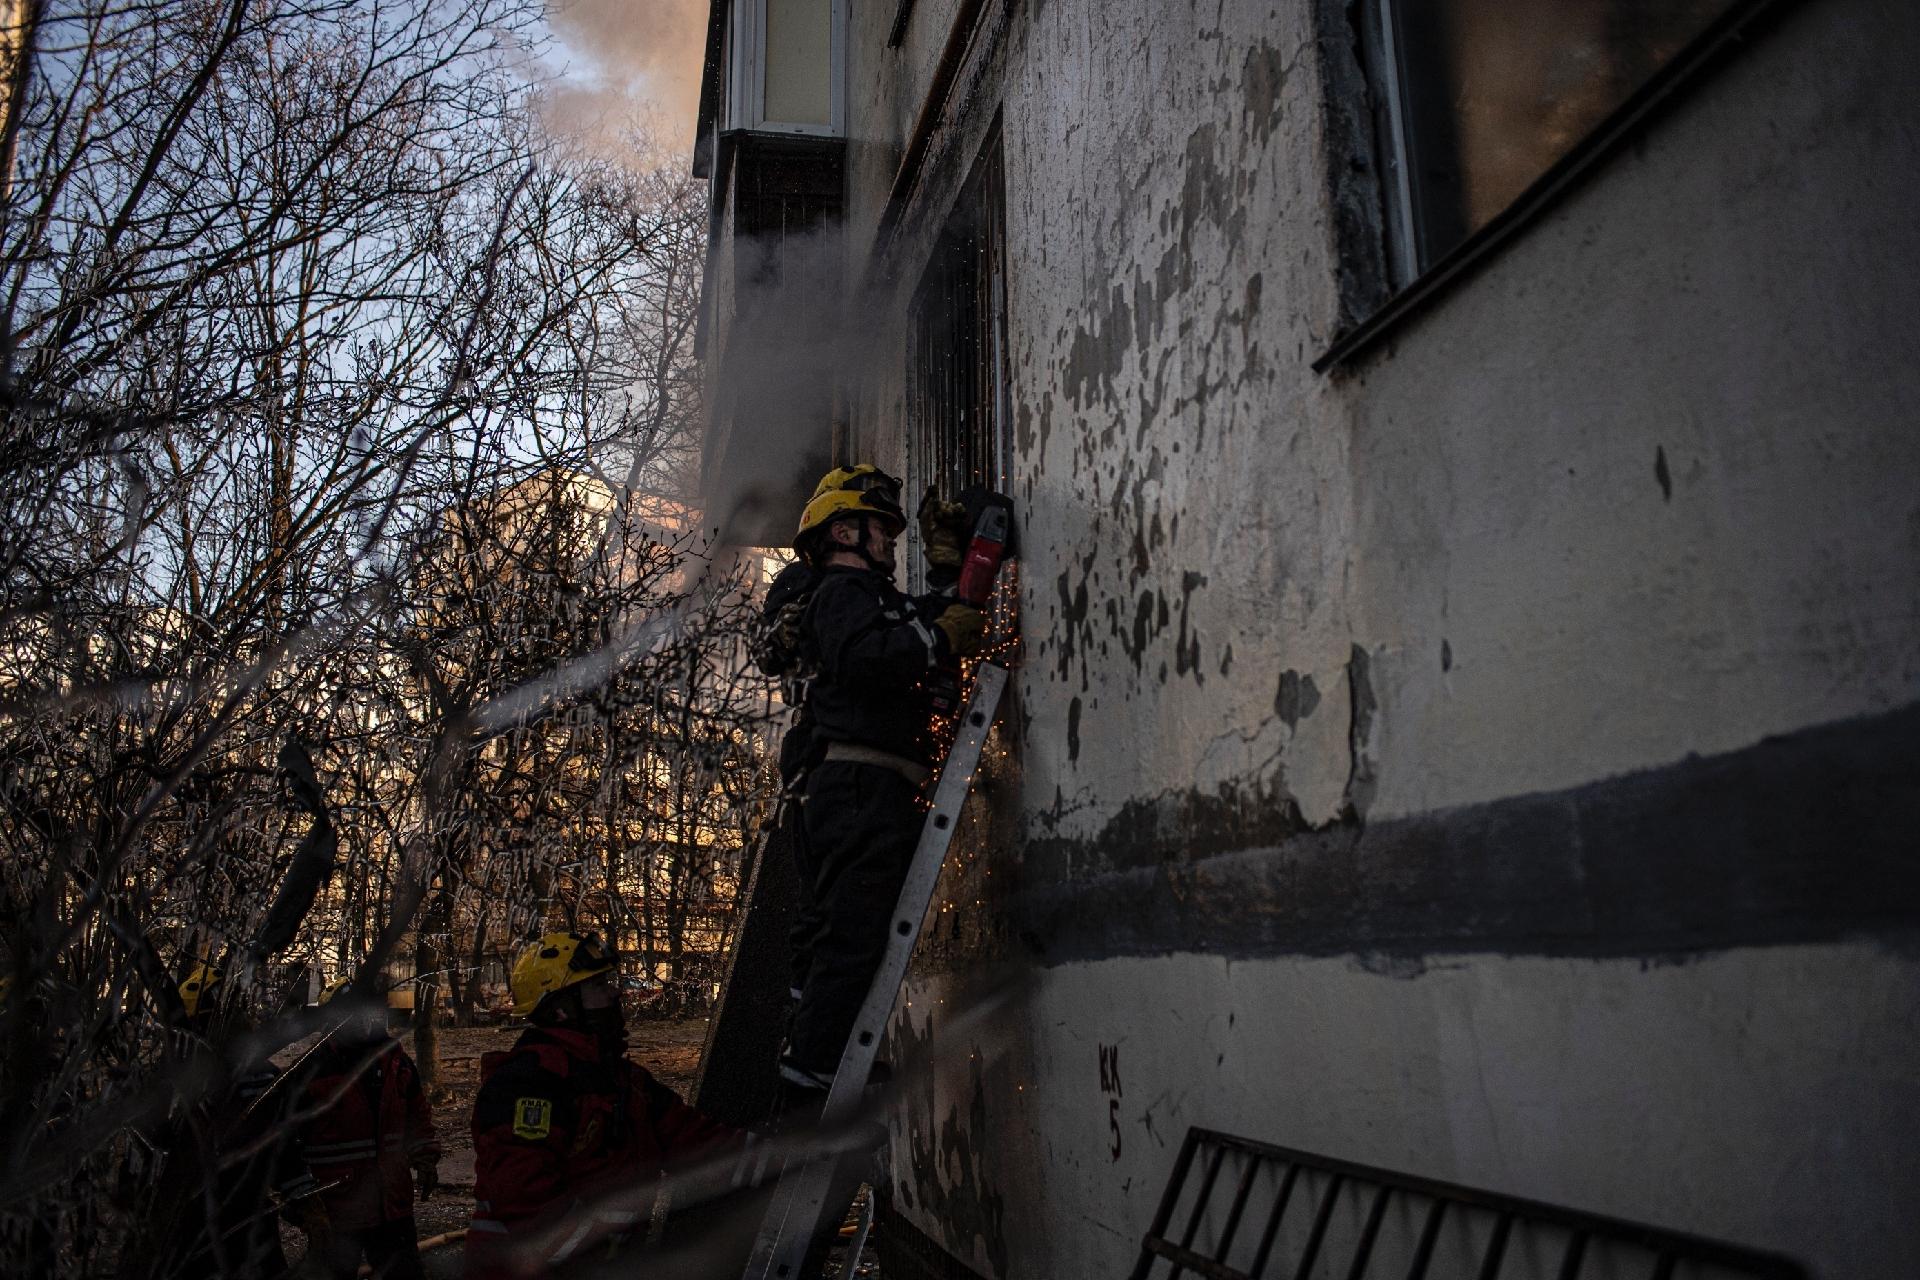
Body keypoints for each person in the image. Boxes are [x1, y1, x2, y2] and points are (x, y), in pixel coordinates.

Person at [774, 465, 985, 1104]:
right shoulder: (838, 593)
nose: (892, 542)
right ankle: (813, 1084)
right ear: (844, 531)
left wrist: (952, 575)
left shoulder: (876, 599)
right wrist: (934, 635)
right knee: (854, 934)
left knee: (842, 937)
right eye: (881, 530)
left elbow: (932, 625)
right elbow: (871, 654)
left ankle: (815, 1064)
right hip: (858, 786)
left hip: (873, 787)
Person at [466, 932, 740, 1279]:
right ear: (562, 1008)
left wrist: (774, 1156)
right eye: (597, 985)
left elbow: (691, 1137)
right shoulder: (528, 1084)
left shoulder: (621, 1080)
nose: (615, 992)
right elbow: (525, 1197)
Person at [299, 977, 440, 1280]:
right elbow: (287, 1143)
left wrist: (425, 1155)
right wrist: (305, 1203)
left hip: (392, 1207)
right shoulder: (312, 1071)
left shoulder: (395, 1061)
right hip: (337, 1212)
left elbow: (416, 1114)